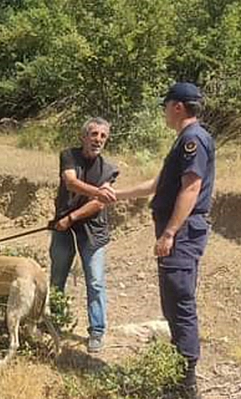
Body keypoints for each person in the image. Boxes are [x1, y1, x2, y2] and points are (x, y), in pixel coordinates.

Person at [112, 82, 214, 398]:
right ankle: (178, 373)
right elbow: (159, 184)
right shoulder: (184, 139)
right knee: (172, 300)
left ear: (178, 107)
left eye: (165, 105)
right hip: (179, 232)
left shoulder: (192, 140)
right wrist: (116, 195)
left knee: (179, 302)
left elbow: (190, 189)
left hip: (182, 234)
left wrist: (170, 232)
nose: (164, 111)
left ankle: (185, 383)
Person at [50, 117, 118, 353]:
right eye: (94, 134)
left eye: (103, 136)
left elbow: (98, 204)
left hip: (92, 229)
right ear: (83, 137)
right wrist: (99, 192)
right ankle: (54, 323)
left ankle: (97, 331)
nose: (98, 139)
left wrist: (72, 218)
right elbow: (70, 183)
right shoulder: (68, 155)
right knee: (58, 277)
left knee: (96, 281)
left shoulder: (109, 169)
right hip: (62, 225)